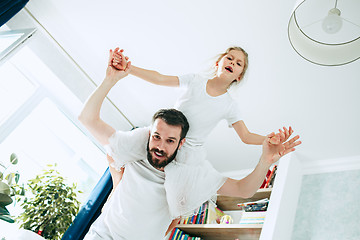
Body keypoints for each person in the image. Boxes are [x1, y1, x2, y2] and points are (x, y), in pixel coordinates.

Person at [78, 49, 301, 239]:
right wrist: (128, 70)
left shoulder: (229, 107)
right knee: (118, 151)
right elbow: (159, 78)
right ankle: (130, 173)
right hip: (105, 230)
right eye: (229, 58)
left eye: (238, 63)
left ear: (240, 76)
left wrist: (268, 144)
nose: (232, 63)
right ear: (218, 63)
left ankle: (175, 216)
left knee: (177, 203)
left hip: (189, 152)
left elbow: (245, 138)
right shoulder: (194, 82)